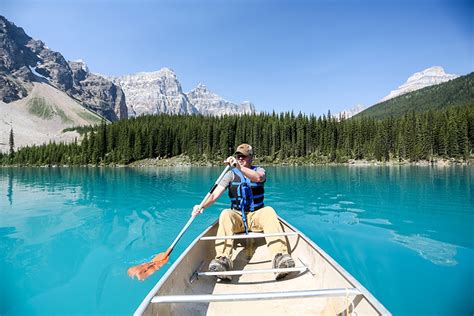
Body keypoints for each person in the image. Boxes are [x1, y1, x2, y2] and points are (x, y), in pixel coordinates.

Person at [192, 143, 295, 281]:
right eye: (238, 156)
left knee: (269, 211)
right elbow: (214, 195)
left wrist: (239, 168)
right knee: (225, 214)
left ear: (251, 157)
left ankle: (280, 257)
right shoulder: (230, 175)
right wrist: (201, 206)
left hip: (256, 215)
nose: (240, 159)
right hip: (238, 216)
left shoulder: (260, 170)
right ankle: (223, 260)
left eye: (244, 156)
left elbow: (258, 178)